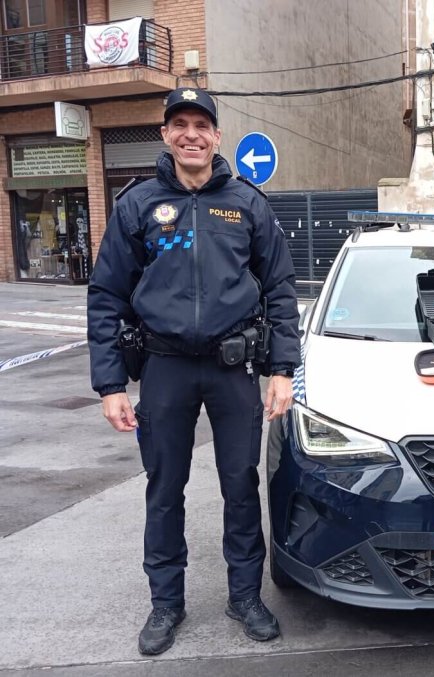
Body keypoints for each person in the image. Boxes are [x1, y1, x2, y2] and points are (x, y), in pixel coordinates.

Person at [87, 87, 300, 656]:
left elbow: (279, 289)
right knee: (164, 490)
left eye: (200, 125)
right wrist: (110, 384)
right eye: (179, 124)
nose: (190, 135)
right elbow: (107, 294)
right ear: (165, 135)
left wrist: (282, 369)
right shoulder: (137, 205)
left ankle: (245, 597)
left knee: (239, 487)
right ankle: (166, 605)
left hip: (234, 370)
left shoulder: (247, 204)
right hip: (165, 368)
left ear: (216, 136)